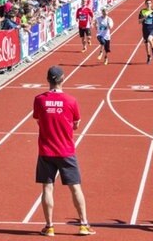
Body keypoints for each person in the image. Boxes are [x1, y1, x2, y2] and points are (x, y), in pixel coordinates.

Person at [33, 66, 95, 236]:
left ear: (48, 80)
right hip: (66, 150)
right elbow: (76, 124)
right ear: (62, 79)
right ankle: (83, 224)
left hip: (46, 151)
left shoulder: (39, 100)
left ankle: (49, 226)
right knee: (75, 187)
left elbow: (38, 120)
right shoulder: (71, 100)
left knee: (47, 187)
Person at [138, 0, 153, 64]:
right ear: (145, 4)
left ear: (151, 4)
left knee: (149, 39)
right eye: (147, 3)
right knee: (146, 44)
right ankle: (148, 56)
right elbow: (139, 21)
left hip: (152, 28)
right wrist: (144, 18)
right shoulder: (142, 11)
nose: (148, 4)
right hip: (145, 29)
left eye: (150, 3)